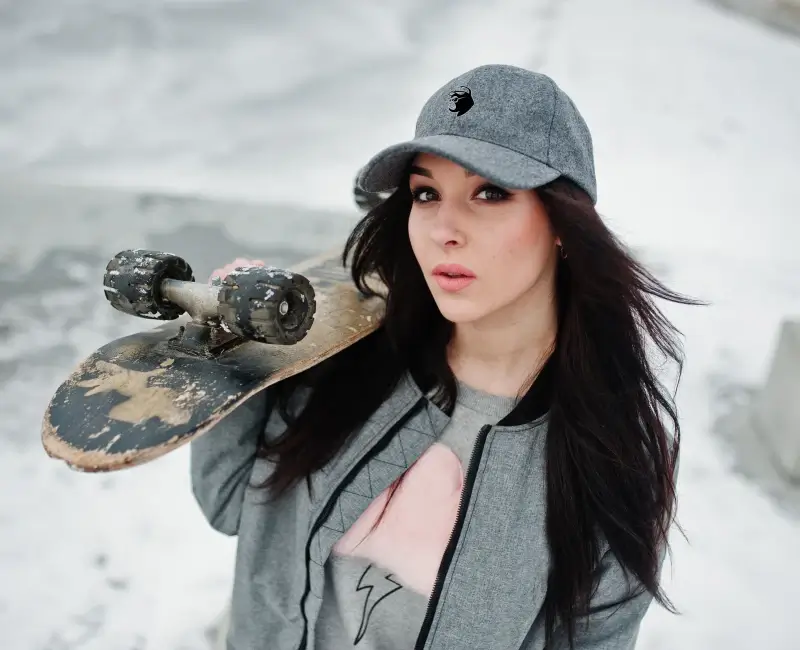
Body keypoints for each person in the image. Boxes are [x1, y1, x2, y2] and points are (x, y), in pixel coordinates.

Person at [193, 63, 694, 650]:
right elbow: (230, 505)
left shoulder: (609, 451)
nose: (444, 229)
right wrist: (231, 353)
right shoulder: (349, 361)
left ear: (562, 222)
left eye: (490, 192)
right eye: (426, 193)